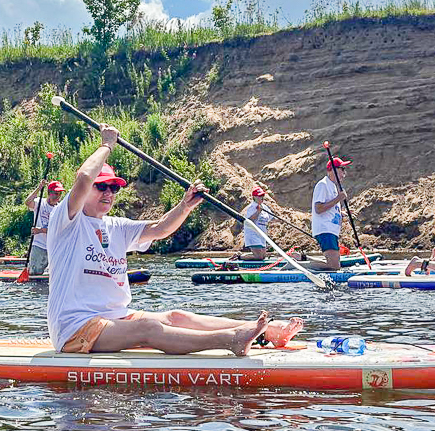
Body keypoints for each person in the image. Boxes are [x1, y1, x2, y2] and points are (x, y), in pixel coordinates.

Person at [46, 124, 303, 356]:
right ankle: (230, 340)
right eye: (102, 186)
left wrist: (185, 206)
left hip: (116, 318)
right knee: (147, 327)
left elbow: (159, 229)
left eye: (114, 187)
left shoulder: (117, 226)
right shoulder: (67, 220)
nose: (109, 193)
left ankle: (266, 331)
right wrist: (107, 145)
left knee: (175, 316)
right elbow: (83, 178)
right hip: (75, 328)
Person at [311, 156, 350, 271]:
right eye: (342, 169)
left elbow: (329, 207)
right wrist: (339, 198)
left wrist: (341, 213)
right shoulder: (323, 184)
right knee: (334, 266)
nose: (344, 173)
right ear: (333, 170)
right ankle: (300, 265)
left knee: (334, 264)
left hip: (331, 230)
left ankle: (301, 259)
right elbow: (318, 208)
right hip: (325, 229)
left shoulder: (332, 186)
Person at [25, 180, 65, 275]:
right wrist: (39, 187)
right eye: (55, 193)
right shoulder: (40, 203)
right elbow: (27, 202)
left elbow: (57, 229)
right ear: (49, 193)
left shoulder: (60, 209)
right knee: (34, 273)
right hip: (39, 245)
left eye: (59, 194)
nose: (58, 196)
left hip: (53, 247)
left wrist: (40, 230)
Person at [239, 186, 273, 260]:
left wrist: (284, 220)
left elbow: (272, 218)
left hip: (262, 235)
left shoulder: (265, 207)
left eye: (262, 195)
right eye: (259, 196)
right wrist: (258, 211)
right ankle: (239, 257)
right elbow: (249, 221)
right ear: (254, 197)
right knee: (259, 257)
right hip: (253, 234)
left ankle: (241, 255)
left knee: (263, 256)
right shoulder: (251, 208)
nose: (262, 197)